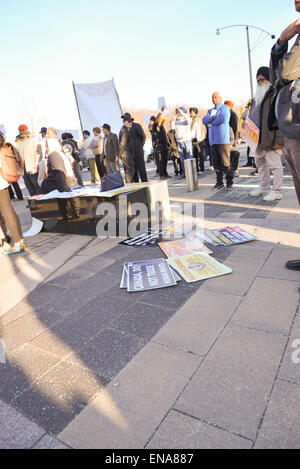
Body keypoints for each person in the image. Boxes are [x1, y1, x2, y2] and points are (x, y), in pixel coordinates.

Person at [270, 0, 300, 270]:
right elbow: (276, 76)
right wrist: (281, 44)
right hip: (292, 126)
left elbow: (286, 72)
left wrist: (282, 41)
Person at [248, 67, 284, 201]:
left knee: (275, 165)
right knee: (261, 164)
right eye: (258, 80)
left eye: (263, 79)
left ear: (269, 80)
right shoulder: (256, 97)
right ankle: (264, 188)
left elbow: (280, 118)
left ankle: (277, 191)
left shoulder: (275, 95)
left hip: (271, 137)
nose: (260, 82)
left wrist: (279, 140)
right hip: (257, 138)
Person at [0, 130, 26, 255]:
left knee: (7, 213)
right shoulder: (3, 144)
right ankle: (20, 240)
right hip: (3, 182)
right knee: (9, 211)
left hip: (0, 183)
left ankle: (17, 243)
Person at [203, 92, 233, 190]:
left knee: (225, 163)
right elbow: (204, 121)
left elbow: (223, 119)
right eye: (212, 98)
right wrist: (213, 118)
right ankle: (219, 182)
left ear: (220, 98)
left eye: (215, 97)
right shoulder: (211, 111)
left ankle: (229, 181)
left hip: (222, 140)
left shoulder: (225, 108)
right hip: (213, 140)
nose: (214, 99)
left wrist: (211, 121)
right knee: (216, 163)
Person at [120, 113, 148, 183]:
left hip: (138, 151)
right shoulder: (123, 129)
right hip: (129, 153)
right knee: (133, 172)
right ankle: (136, 188)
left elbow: (143, 137)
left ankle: (145, 185)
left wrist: (140, 146)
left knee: (141, 170)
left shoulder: (136, 126)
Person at [15, 124, 41, 196]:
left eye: (23, 130)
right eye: (20, 130)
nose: (21, 132)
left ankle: (41, 201)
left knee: (36, 184)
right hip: (23, 166)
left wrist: (36, 165)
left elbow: (38, 152)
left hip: (32, 165)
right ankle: (33, 201)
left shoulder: (32, 139)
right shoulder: (18, 141)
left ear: (26, 130)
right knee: (28, 185)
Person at [171, 107, 192, 178]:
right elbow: (172, 128)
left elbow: (189, 120)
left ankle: (191, 172)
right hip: (179, 141)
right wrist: (173, 120)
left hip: (186, 140)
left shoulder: (186, 120)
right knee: (182, 159)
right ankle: (184, 173)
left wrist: (182, 113)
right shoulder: (176, 121)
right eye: (177, 111)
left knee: (189, 157)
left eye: (179, 111)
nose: (178, 113)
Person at [151, 113, 171, 180]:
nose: (160, 123)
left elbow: (165, 137)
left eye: (161, 122)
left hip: (164, 146)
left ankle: (165, 173)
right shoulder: (154, 128)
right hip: (159, 146)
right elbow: (156, 121)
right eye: (159, 122)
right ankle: (161, 174)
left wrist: (168, 144)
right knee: (160, 161)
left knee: (165, 161)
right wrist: (160, 112)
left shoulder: (162, 128)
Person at [225, 101, 240, 177]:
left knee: (234, 154)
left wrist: (233, 140)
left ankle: (235, 170)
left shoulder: (232, 115)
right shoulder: (226, 114)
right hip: (227, 138)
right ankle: (229, 170)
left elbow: (235, 127)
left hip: (232, 137)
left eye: (226, 106)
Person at [190, 107, 207, 174]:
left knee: (200, 154)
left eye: (193, 112)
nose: (192, 114)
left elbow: (203, 130)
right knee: (194, 155)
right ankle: (196, 168)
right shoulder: (189, 120)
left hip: (199, 139)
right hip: (192, 139)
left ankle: (202, 168)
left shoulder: (199, 121)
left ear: (196, 113)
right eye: (191, 112)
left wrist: (201, 138)